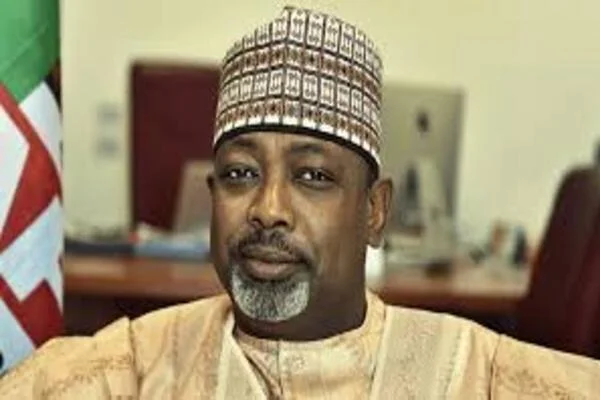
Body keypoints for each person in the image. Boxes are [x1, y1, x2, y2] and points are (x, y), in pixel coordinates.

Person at [1, 6, 599, 399]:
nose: (267, 208)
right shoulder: (128, 370)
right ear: (212, 196)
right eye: (240, 173)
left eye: (312, 176)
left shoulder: (476, 376)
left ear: (374, 211)